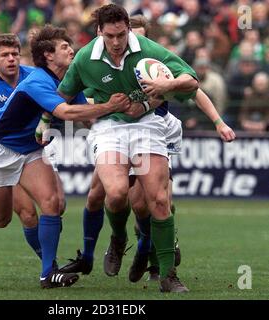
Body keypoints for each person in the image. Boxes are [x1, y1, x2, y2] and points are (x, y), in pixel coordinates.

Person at [59, 13, 235, 285]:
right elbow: (61, 98)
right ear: (99, 31)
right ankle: (118, 239)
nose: (116, 42)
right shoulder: (85, 58)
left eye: (122, 35)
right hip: (109, 128)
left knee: (158, 200)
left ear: (130, 30)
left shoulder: (150, 53)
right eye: (110, 36)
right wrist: (47, 120)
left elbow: (191, 82)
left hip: (149, 126)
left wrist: (170, 86)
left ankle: (166, 274)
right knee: (115, 194)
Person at [0, 25, 131, 288]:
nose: (71, 50)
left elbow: (88, 117)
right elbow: (66, 113)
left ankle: (48, 273)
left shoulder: (68, 80)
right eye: (64, 47)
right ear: (48, 55)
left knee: (53, 203)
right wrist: (111, 105)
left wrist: (123, 132)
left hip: (31, 152)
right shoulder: (36, 81)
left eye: (70, 46)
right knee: (0, 219)